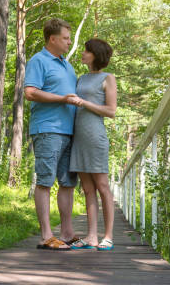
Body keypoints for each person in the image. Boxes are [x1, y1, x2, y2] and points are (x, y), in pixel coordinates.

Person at [24, 18, 80, 251]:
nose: (69, 42)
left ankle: (66, 233)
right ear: (53, 39)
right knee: (45, 181)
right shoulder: (39, 60)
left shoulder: (67, 65)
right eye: (66, 38)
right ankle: (46, 236)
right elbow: (30, 92)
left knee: (67, 183)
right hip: (47, 129)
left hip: (68, 132)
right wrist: (62, 99)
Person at [66, 38, 117, 251]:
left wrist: (84, 102)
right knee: (87, 189)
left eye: (87, 51)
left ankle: (108, 236)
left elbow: (111, 111)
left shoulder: (108, 78)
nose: (83, 53)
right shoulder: (81, 78)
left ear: (95, 54)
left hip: (95, 137)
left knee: (102, 187)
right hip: (79, 138)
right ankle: (91, 236)